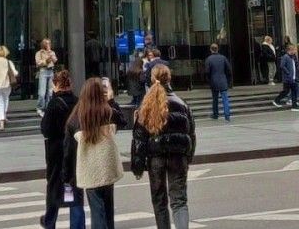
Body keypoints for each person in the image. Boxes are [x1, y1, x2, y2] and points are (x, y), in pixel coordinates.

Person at [131, 65, 196, 229]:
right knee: (179, 201)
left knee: (159, 201)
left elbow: (139, 139)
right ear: (169, 79)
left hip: (156, 159)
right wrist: (188, 157)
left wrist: (138, 167)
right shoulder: (182, 104)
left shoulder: (146, 106)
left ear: (152, 79)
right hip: (178, 157)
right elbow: (191, 134)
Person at [63, 77, 126, 229]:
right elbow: (123, 121)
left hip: (90, 171)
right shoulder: (108, 112)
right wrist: (111, 100)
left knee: (97, 210)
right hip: (108, 169)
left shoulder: (75, 118)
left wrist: (67, 176)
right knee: (108, 209)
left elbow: (68, 152)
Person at [40, 69, 84, 229]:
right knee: (74, 189)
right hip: (74, 149)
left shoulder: (53, 104)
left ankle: (50, 222)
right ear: (70, 84)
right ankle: (77, 225)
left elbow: (46, 130)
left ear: (56, 85)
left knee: (54, 188)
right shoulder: (78, 102)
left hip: (56, 152)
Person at [0, 45, 18, 131]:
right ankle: (4, 117)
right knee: (5, 99)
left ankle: (1, 123)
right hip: (6, 85)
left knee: (0, 103)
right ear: (5, 53)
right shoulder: (8, 62)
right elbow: (15, 73)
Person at [204, 43, 232, 122]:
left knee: (215, 99)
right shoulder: (223, 58)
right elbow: (229, 70)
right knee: (225, 99)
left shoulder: (209, 59)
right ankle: (227, 116)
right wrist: (228, 80)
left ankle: (215, 114)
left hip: (214, 81)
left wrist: (209, 80)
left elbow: (207, 71)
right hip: (223, 81)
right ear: (217, 49)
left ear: (211, 49)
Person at [272, 43, 299, 111]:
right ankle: (277, 100)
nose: (295, 51)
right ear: (290, 50)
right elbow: (282, 66)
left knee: (292, 91)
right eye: (294, 49)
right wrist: (288, 73)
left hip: (292, 78)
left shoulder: (292, 57)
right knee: (286, 91)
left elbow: (294, 66)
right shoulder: (285, 57)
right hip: (288, 79)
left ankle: (294, 106)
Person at [36, 38, 58, 114]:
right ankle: (40, 107)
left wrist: (50, 53)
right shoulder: (39, 53)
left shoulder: (52, 52)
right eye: (47, 43)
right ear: (43, 44)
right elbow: (38, 63)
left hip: (51, 71)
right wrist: (46, 61)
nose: (49, 45)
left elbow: (55, 60)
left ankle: (48, 107)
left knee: (50, 91)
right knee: (42, 92)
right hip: (43, 71)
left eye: (49, 43)